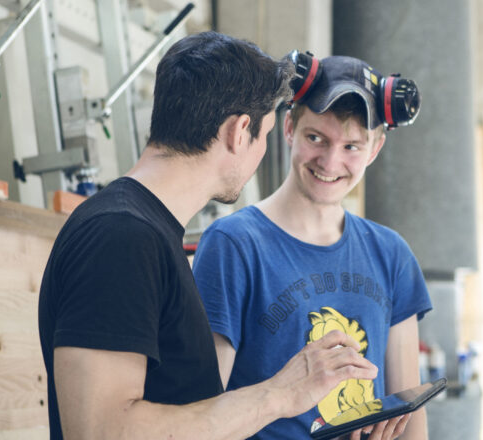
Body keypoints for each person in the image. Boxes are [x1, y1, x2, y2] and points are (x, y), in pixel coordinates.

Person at [37, 32, 379, 440]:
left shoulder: (147, 234)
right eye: (267, 133)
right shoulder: (121, 238)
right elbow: (101, 431)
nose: (262, 149)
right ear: (239, 131)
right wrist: (279, 395)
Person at [191, 52, 432, 440]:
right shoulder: (233, 245)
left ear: (375, 149)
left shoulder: (392, 255)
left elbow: (409, 420)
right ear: (289, 128)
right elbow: (200, 413)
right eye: (316, 138)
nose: (331, 161)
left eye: (352, 146)